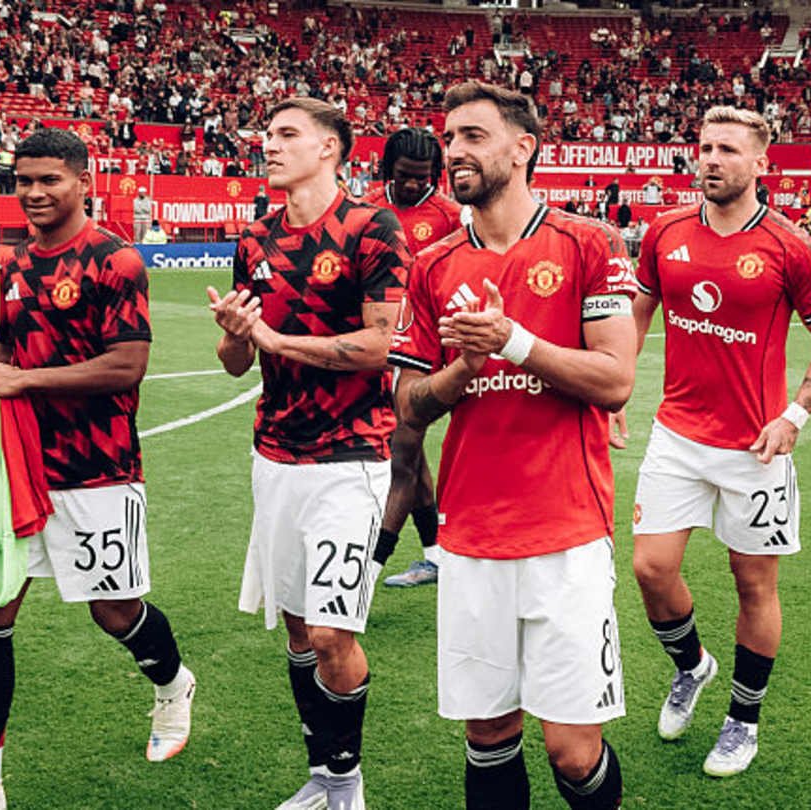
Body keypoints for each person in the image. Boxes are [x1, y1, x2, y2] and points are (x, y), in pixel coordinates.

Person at [389, 80, 636, 810]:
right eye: (449, 137)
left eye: (472, 135)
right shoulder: (433, 265)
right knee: (489, 730)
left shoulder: (589, 243)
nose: (453, 150)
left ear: (523, 148)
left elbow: (616, 378)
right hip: (470, 536)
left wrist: (515, 342)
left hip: (566, 532)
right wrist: (463, 369)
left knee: (572, 747)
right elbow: (404, 405)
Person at [0, 128, 195, 810]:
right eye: (23, 180)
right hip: (19, 467)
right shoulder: (17, 263)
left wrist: (25, 380)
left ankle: (173, 685)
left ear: (84, 180)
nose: (33, 192)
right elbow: (11, 345)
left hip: (99, 468)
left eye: (49, 179)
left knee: (114, 612)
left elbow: (126, 365)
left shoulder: (116, 261)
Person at [611, 105, 811, 779]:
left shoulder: (789, 245)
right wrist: (618, 388)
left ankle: (742, 721)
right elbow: (637, 312)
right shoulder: (664, 232)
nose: (711, 159)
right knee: (651, 570)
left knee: (753, 583)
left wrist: (794, 417)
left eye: (727, 149)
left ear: (759, 163)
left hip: (756, 449)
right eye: (705, 146)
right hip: (677, 435)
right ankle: (692, 667)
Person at [208, 97, 409, 810]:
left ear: (330, 148)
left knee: (330, 632)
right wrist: (236, 331)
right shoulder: (255, 238)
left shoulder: (370, 228)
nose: (270, 145)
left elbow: (380, 345)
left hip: (350, 458)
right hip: (275, 456)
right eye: (267, 134)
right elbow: (236, 363)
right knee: (297, 623)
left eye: (287, 135)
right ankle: (322, 774)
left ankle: (347, 782)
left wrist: (279, 342)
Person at [360, 126, 464, 588]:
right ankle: (436, 556)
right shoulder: (366, 205)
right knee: (412, 455)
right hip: (377, 347)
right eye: (404, 176)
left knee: (400, 456)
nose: (412, 185)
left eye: (423, 178)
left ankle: (367, 570)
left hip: (423, 354)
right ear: (388, 170)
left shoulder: (449, 215)